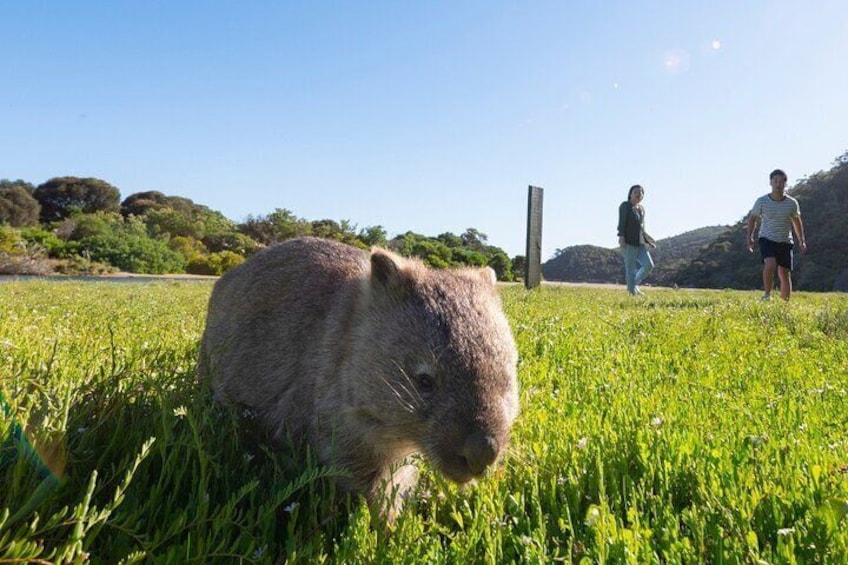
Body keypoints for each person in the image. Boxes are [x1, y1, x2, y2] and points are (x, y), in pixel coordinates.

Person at [746, 169, 807, 301]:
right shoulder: (762, 201)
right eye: (775, 181)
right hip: (767, 238)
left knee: (784, 273)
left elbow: (797, 221)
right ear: (771, 182)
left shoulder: (792, 203)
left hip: (785, 241)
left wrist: (801, 240)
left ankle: (785, 303)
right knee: (770, 264)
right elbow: (753, 219)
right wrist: (750, 237)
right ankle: (767, 295)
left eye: (781, 182)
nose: (778, 184)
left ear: (785, 184)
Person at [617, 184, 656, 296]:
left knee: (649, 265)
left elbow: (641, 228)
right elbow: (622, 223)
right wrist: (621, 237)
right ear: (630, 194)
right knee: (630, 269)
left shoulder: (641, 209)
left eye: (641, 192)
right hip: (628, 242)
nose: (639, 194)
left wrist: (648, 241)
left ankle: (633, 285)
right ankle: (631, 293)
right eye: (636, 192)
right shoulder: (625, 206)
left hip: (640, 243)